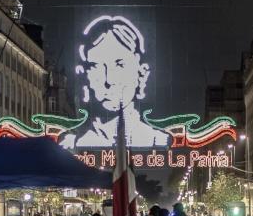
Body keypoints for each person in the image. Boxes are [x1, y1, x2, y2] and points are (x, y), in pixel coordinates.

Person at [60, 16, 171, 149]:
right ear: (85, 75)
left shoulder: (159, 140)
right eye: (96, 66)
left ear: (141, 73)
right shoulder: (71, 144)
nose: (109, 80)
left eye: (120, 65)